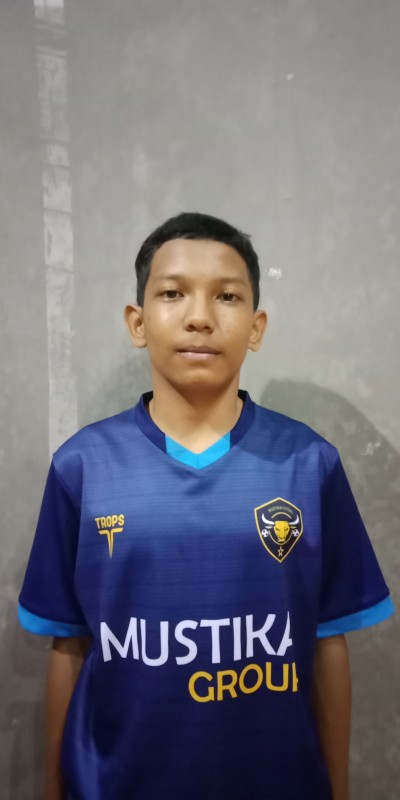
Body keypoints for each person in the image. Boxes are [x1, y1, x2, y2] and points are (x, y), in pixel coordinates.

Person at [18, 211, 394, 800]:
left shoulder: (309, 463)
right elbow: (69, 644)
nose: (199, 316)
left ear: (256, 327)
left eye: (227, 295)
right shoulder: (82, 467)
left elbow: (327, 642)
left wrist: (337, 788)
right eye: (173, 293)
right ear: (138, 322)